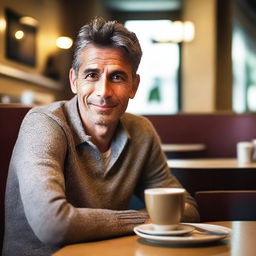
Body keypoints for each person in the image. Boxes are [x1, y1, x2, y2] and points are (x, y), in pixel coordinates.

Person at [2, 17, 199, 256]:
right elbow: (52, 224)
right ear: (74, 80)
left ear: (134, 86)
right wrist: (143, 219)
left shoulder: (141, 131)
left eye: (117, 77)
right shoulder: (43, 124)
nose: (103, 92)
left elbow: (187, 208)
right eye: (92, 75)